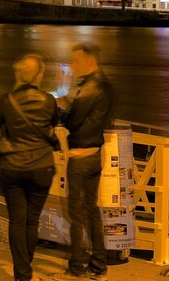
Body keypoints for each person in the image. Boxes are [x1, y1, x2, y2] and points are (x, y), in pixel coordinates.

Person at [0, 53, 58, 281]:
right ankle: (25, 270)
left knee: (17, 221)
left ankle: (22, 273)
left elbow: (2, 127)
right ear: (40, 74)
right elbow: (52, 125)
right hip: (41, 167)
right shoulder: (48, 101)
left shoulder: (6, 100)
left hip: (13, 166)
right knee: (32, 220)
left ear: (19, 75)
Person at [60, 42, 117, 279]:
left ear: (89, 60)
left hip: (80, 156)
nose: (73, 65)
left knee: (77, 214)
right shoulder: (108, 86)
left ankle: (77, 266)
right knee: (93, 210)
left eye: (76, 60)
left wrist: (63, 105)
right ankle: (99, 266)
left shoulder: (90, 89)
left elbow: (72, 122)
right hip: (95, 155)